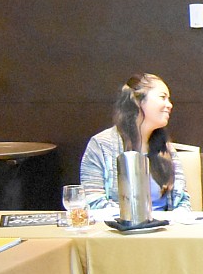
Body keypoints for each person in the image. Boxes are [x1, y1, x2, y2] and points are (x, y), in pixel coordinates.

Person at [79, 73, 191, 212]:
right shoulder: (101, 145)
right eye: (163, 97)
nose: (169, 105)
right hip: (119, 225)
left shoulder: (166, 148)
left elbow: (183, 202)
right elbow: (93, 201)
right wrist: (134, 219)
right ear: (138, 101)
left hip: (166, 225)